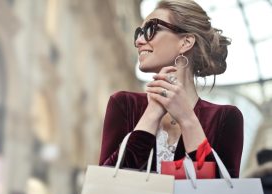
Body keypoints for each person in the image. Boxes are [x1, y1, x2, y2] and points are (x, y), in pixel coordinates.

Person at [99, 0, 243, 178]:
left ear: (186, 42)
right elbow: (106, 181)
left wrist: (188, 120)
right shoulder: (124, 104)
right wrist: (151, 114)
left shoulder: (225, 118)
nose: (139, 41)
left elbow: (221, 193)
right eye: (139, 33)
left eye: (151, 29)